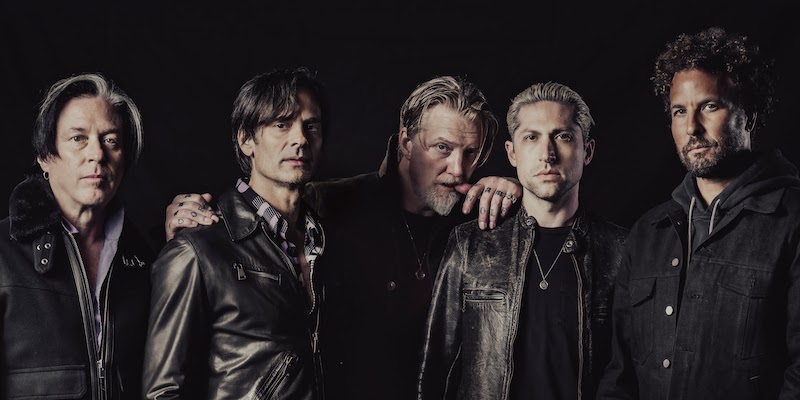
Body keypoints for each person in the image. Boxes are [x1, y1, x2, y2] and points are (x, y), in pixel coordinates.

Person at [164, 75, 522, 400]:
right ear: (406, 142)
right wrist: (189, 216)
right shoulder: (326, 204)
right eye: (442, 148)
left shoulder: (483, 222)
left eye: (471, 153)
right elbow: (251, 220)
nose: (458, 169)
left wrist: (522, 196)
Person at [597, 27, 800, 399]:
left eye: (709, 106)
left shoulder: (792, 221)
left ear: (749, 115)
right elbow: (620, 373)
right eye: (680, 111)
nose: (692, 127)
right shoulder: (649, 232)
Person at [418, 82, 627, 400]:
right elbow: (436, 365)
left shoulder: (621, 250)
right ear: (512, 153)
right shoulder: (469, 244)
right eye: (532, 137)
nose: (547, 154)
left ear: (587, 151)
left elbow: (631, 372)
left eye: (563, 136)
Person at [143, 68, 329, 399]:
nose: (300, 139)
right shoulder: (197, 248)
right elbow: (163, 392)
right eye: (282, 124)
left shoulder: (327, 242)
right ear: (246, 139)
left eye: (310, 126)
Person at [0, 73, 153, 399]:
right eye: (78, 138)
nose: (97, 154)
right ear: (45, 157)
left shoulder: (146, 258)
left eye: (110, 140)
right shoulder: (3, 253)